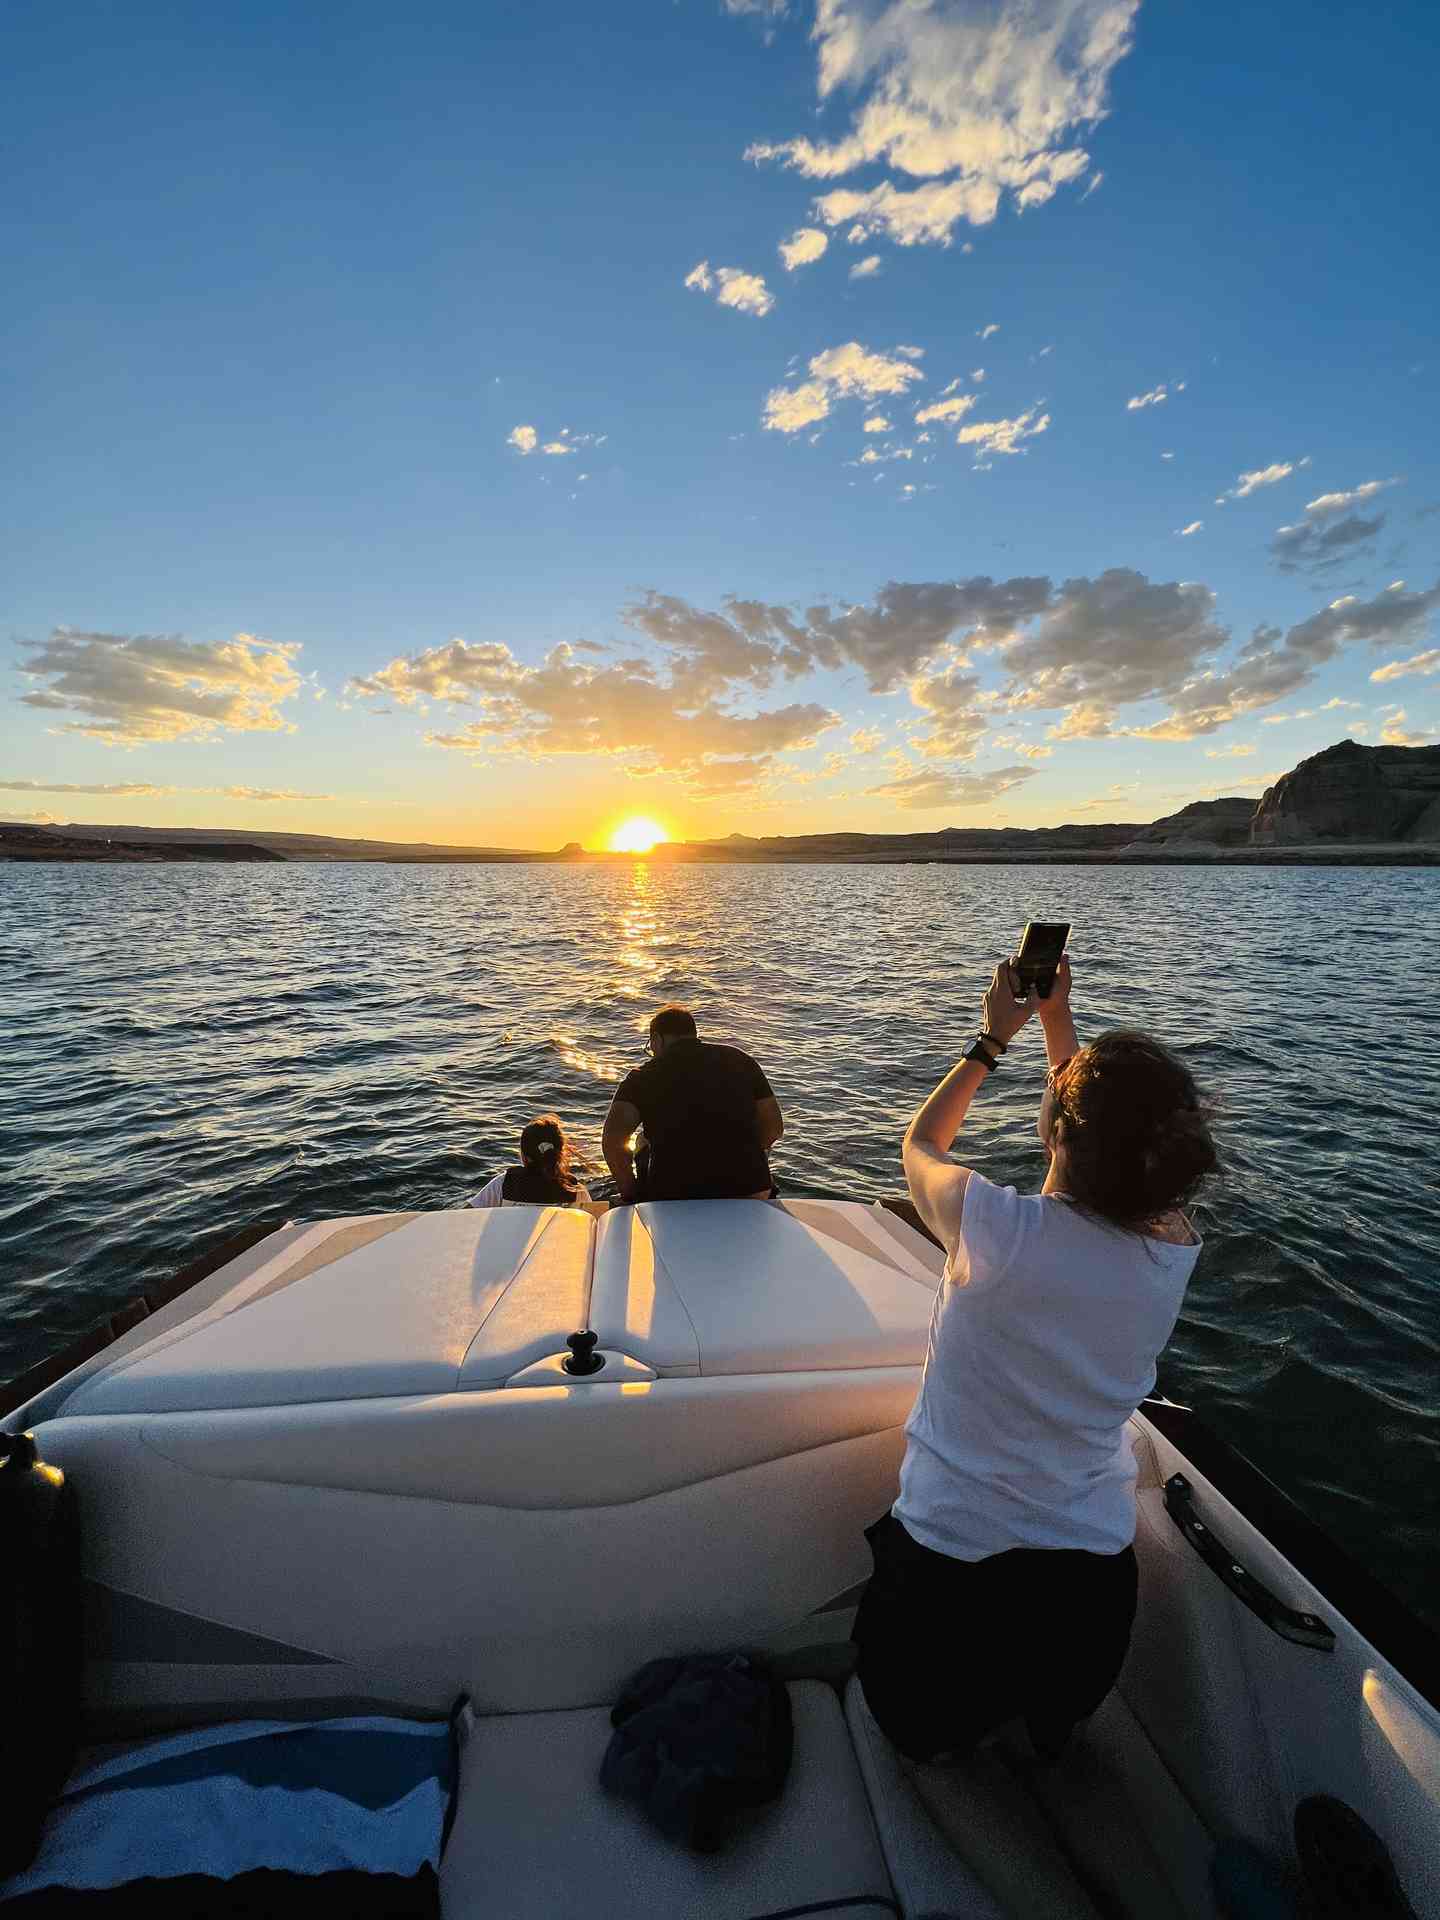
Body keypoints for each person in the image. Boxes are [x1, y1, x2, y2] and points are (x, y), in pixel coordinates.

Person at [854, 952, 1217, 1764]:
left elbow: (919, 1143)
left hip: (945, 1597)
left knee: (915, 1735)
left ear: (1056, 1129)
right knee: (1042, 1740)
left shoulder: (993, 1229)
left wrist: (992, 1040)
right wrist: (1059, 1027)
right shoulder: (1173, 1250)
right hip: (1085, 1615)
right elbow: (1102, 1138)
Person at [602, 1005, 783, 1203]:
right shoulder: (742, 1060)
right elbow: (774, 1128)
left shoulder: (642, 1077)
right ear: (693, 1034)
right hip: (751, 1189)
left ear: (656, 1039)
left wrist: (631, 1194)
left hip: (673, 1194)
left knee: (641, 1141)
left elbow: (613, 1142)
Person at [468, 1113, 594, 1209]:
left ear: (525, 1155)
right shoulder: (575, 1190)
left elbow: (465, 1213)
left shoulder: (505, 1183)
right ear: (561, 1151)